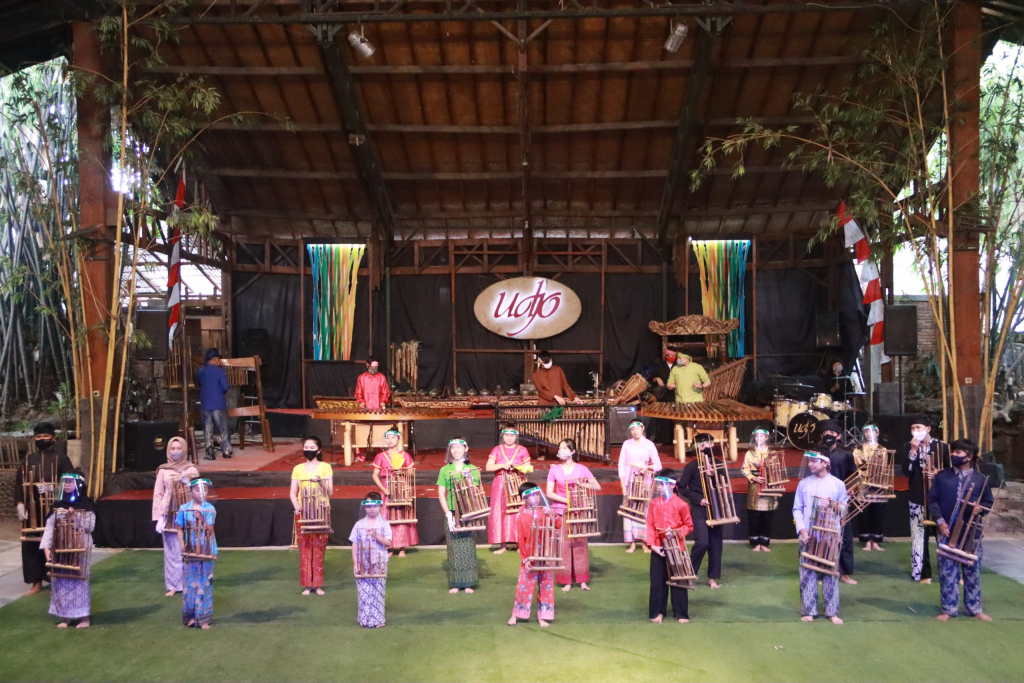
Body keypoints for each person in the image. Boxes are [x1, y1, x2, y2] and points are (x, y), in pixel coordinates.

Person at [929, 438, 994, 622]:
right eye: (953, 452)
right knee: (947, 571)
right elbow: (932, 500)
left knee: (972, 570)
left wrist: (980, 509)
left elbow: (988, 502)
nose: (953, 455)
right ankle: (949, 609)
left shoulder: (980, 480)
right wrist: (940, 522)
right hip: (947, 531)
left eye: (958, 453)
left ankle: (974, 609)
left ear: (969, 456)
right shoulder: (942, 476)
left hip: (971, 533)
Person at [15, 421, 74, 596]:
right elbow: (19, 484)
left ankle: (58, 578)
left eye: (45, 436)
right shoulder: (27, 460)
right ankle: (36, 582)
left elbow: (71, 482)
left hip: (54, 509)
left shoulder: (61, 458)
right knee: (31, 546)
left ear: (53, 438)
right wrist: (19, 504)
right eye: (39, 437)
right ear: (34, 439)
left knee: (56, 544)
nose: (42, 439)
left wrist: (53, 489)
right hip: (33, 512)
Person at [793, 450, 848, 625]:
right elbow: (797, 509)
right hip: (808, 535)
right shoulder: (804, 484)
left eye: (814, 461)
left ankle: (832, 611)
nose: (810, 464)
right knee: (807, 572)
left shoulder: (838, 484)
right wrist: (802, 530)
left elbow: (844, 509)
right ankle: (809, 611)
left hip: (830, 534)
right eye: (809, 461)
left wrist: (833, 504)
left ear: (825, 463)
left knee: (830, 572)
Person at [897, 415, 949, 584]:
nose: (915, 431)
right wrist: (913, 451)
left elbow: (951, 471)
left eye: (918, 427)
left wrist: (938, 474)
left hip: (940, 498)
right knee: (919, 535)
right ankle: (922, 573)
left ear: (928, 429)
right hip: (917, 496)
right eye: (913, 428)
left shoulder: (942, 447)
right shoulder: (908, 446)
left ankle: (948, 572)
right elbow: (907, 471)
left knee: (943, 534)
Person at [39, 471, 95, 629]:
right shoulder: (57, 505)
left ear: (79, 485)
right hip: (60, 549)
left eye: (71, 482)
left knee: (79, 581)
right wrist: (46, 548)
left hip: (79, 549)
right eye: (66, 482)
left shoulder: (87, 504)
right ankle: (66, 616)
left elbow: (90, 526)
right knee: (61, 582)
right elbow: (49, 528)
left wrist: (73, 517)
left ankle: (84, 617)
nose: (68, 484)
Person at [545, 438, 601, 592]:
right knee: (563, 544)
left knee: (580, 544)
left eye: (565, 448)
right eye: (560, 447)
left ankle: (582, 580)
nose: (562, 450)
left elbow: (597, 486)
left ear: (572, 451)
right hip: (561, 510)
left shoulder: (581, 468)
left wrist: (581, 483)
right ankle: (566, 580)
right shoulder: (554, 469)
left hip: (578, 511)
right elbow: (549, 492)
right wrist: (566, 500)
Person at [152, 436, 199, 596]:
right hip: (169, 515)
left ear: (184, 450)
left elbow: (199, 491)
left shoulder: (191, 469)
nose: (176, 451)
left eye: (179, 448)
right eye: (173, 448)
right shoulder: (163, 470)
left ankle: (189, 583)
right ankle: (173, 585)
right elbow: (158, 494)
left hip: (188, 515)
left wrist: (188, 482)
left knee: (189, 549)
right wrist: (159, 516)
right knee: (171, 551)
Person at [645, 471, 694, 624]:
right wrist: (652, 545)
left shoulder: (682, 504)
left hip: (676, 547)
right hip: (658, 547)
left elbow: (688, 525)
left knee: (679, 580)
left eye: (664, 484)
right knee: (657, 581)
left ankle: (681, 613)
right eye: (659, 484)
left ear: (673, 485)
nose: (661, 487)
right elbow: (650, 525)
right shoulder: (654, 503)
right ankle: (658, 612)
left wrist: (676, 533)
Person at [676, 433, 723, 589]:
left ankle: (712, 578)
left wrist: (714, 475)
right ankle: (691, 573)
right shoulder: (691, 467)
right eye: (708, 444)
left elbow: (725, 484)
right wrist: (698, 499)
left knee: (716, 544)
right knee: (702, 542)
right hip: (700, 508)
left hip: (717, 508)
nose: (711, 447)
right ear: (700, 447)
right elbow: (681, 487)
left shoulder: (718, 464)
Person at [290, 437, 333, 595]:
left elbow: (330, 491)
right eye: (306, 447)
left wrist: (321, 482)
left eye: (312, 446)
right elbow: (293, 493)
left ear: (318, 450)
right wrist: (297, 506)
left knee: (319, 547)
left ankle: (318, 584)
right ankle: (307, 585)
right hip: (303, 512)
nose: (308, 449)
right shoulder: (298, 468)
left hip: (321, 510)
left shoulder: (325, 467)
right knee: (305, 547)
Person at [436, 438, 480, 594]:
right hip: (452, 512)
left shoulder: (473, 468)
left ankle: (468, 582)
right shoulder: (444, 470)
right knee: (453, 547)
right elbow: (441, 493)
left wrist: (468, 478)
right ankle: (456, 582)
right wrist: (448, 513)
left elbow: (476, 491)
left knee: (468, 546)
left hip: (468, 512)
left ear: (466, 448)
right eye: (452, 448)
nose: (455, 450)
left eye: (458, 447)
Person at [509, 483, 556, 627]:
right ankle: (516, 614)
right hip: (530, 556)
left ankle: (543, 615)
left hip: (544, 554)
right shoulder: (521, 516)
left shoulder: (544, 512)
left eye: (537, 495)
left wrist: (551, 515)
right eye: (532, 496)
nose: (536, 498)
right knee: (524, 585)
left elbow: (557, 524)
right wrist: (525, 559)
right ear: (525, 498)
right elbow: (521, 540)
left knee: (546, 585)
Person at [175, 477, 218, 629]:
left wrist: (202, 519)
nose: (202, 493)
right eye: (198, 490)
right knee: (189, 585)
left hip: (206, 549)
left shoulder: (209, 509)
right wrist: (181, 544)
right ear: (191, 491)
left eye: (205, 490)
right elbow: (179, 529)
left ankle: (203, 618)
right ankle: (190, 617)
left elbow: (210, 530)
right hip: (190, 551)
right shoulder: (184, 508)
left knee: (205, 583)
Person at [819, 419, 857, 584]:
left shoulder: (847, 453)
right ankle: (822, 572)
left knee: (845, 537)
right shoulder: (817, 453)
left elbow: (853, 476)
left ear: (839, 436)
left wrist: (849, 492)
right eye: (825, 433)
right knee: (821, 536)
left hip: (841, 500)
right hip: (821, 499)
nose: (828, 435)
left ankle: (844, 573)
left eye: (831, 433)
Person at [485, 424, 532, 554]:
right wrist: (503, 465)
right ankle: (502, 545)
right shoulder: (497, 449)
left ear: (516, 436)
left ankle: (519, 543)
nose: (509, 438)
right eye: (507, 435)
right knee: (501, 511)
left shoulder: (522, 449)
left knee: (518, 510)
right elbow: (488, 466)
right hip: (501, 483)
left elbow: (529, 467)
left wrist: (519, 467)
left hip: (517, 481)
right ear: (503, 436)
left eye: (512, 435)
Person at [371, 427, 418, 556]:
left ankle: (402, 547)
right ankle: (389, 547)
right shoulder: (381, 456)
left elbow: (412, 473)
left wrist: (401, 471)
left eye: (393, 437)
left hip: (402, 487)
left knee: (402, 515)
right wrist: (383, 489)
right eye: (387, 438)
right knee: (387, 516)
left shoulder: (405, 456)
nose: (390, 440)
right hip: (387, 488)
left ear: (398, 439)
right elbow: (375, 475)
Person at [617, 420, 662, 553]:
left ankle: (644, 542)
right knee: (629, 510)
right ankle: (631, 543)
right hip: (630, 480)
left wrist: (646, 467)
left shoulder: (649, 444)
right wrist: (623, 485)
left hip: (644, 481)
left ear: (642, 428)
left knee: (643, 510)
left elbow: (658, 465)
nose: (635, 431)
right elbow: (621, 464)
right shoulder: (626, 444)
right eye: (632, 429)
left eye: (637, 428)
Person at [350, 492, 393, 628]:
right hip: (363, 562)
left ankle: (378, 620)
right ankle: (364, 619)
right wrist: (355, 562)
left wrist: (376, 535)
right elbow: (354, 544)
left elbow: (388, 543)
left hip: (379, 562)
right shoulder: (359, 524)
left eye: (374, 505)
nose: (371, 508)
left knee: (377, 591)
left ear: (380, 506)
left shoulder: (384, 524)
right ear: (365, 507)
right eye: (368, 506)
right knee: (363, 591)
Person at [741, 428, 778, 552]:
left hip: (769, 485)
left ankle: (765, 543)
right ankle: (756, 542)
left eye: (762, 436)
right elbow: (744, 469)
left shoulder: (772, 452)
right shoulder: (749, 453)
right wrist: (754, 478)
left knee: (767, 514)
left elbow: (777, 468)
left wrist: (770, 476)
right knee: (754, 514)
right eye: (757, 436)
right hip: (755, 485)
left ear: (766, 438)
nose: (759, 439)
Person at [853, 424, 887, 552]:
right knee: (864, 513)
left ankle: (876, 541)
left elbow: (883, 467)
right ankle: (867, 541)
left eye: (871, 431)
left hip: (878, 484)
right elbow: (856, 466)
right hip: (863, 484)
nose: (868, 434)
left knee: (877, 513)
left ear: (877, 433)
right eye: (866, 431)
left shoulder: (882, 449)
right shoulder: (858, 449)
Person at [196, 348, 231, 461]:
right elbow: (225, 387)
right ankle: (226, 451)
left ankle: (210, 453)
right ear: (215, 359)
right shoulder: (220, 371)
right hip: (218, 404)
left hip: (206, 404)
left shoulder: (200, 372)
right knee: (222, 428)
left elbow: (199, 386)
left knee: (207, 429)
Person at [649, 350, 678, 443]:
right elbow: (651, 378)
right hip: (664, 395)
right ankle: (665, 440)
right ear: (666, 355)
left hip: (676, 395)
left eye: (674, 355)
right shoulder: (660, 366)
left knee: (676, 418)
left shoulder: (678, 366)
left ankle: (676, 439)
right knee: (664, 418)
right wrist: (657, 378)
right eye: (671, 355)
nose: (673, 357)